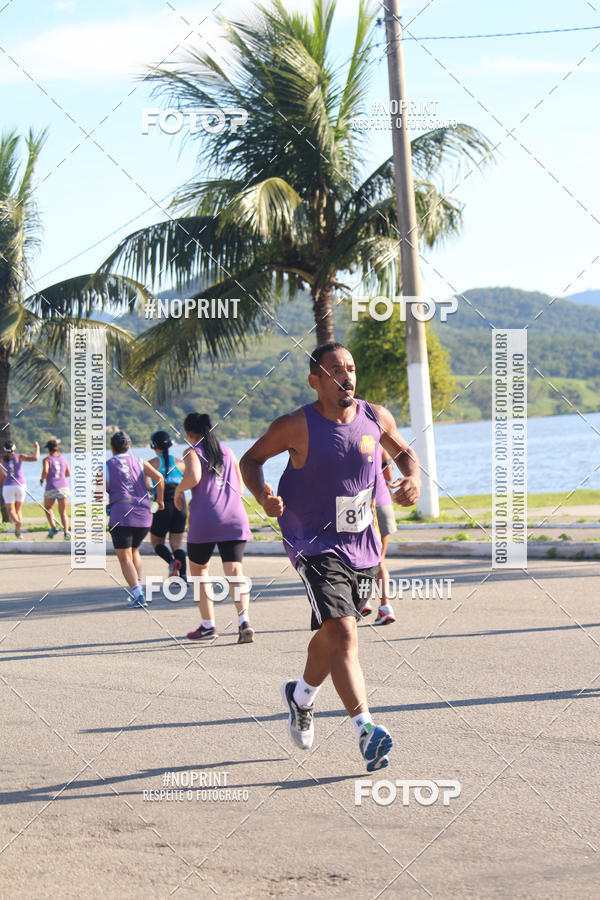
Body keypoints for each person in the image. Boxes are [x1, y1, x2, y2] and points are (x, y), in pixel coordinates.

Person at [240, 342, 421, 772]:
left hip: (361, 545)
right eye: (336, 370)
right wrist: (262, 495)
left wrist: (412, 479)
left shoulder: (375, 417)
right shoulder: (295, 426)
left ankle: (300, 695)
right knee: (343, 633)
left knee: (331, 636)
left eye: (352, 368)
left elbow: (405, 454)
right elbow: (250, 460)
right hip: (312, 543)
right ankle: (366, 729)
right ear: (315, 381)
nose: (348, 376)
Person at [174, 412, 254, 644]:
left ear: (189, 434)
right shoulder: (228, 452)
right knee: (234, 571)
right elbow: (239, 485)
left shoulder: (192, 452)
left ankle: (208, 625)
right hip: (234, 517)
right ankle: (244, 621)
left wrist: (179, 490)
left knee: (200, 572)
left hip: (205, 519)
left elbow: (193, 477)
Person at [101, 431, 164, 607]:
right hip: (144, 513)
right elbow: (159, 478)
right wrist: (159, 500)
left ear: (112, 447)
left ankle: (138, 595)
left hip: (121, 513)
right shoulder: (139, 461)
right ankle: (138, 588)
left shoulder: (105, 466)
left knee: (124, 557)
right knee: (134, 550)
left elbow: (98, 495)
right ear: (128, 446)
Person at [360, 446, 397, 625]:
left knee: (355, 557)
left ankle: (363, 601)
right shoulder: (379, 443)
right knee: (379, 560)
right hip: (383, 503)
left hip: (359, 506)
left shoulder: (350, 440)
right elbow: (389, 473)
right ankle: (385, 607)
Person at [148, 430, 187, 581]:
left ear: (153, 446)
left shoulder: (152, 464)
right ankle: (183, 576)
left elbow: (146, 486)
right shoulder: (180, 463)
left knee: (157, 542)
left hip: (162, 506)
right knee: (177, 545)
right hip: (180, 507)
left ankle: (172, 562)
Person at [0, 440, 39, 539]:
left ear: (4, 450)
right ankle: (19, 533)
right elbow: (35, 458)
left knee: (10, 511)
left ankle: (17, 522)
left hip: (8, 486)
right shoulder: (19, 456)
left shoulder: (1, 460)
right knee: (18, 510)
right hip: (21, 485)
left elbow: (2, 476)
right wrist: (37, 447)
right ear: (14, 449)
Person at [39, 437, 71, 540]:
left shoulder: (47, 459)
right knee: (63, 512)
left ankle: (53, 527)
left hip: (51, 487)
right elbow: (68, 473)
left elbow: (46, 471)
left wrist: (42, 479)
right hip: (64, 486)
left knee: (47, 508)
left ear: (49, 449)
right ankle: (66, 532)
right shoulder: (63, 458)